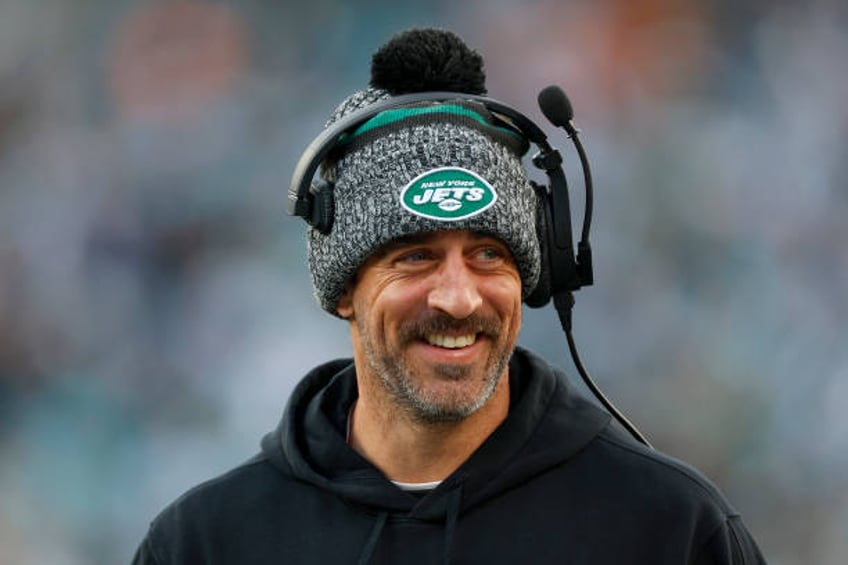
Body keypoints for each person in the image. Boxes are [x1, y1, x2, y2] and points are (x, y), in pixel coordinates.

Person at [132, 28, 767, 564]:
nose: (459, 298)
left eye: (489, 254)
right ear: (344, 287)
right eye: (415, 257)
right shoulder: (206, 545)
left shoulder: (670, 532)